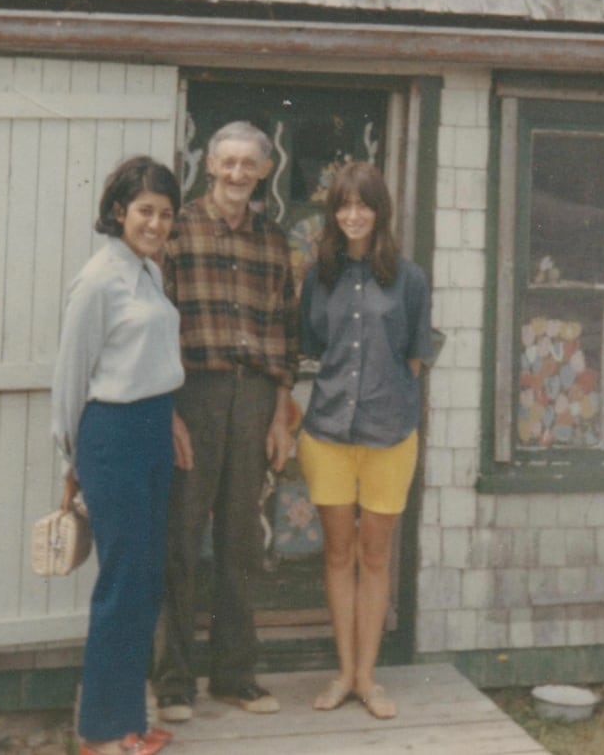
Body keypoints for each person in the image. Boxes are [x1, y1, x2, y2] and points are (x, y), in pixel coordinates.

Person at [152, 122, 298, 722]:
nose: (237, 174)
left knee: (241, 541)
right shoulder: (177, 230)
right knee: (181, 539)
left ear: (265, 171)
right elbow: (156, 326)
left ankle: (235, 675)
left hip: (256, 397)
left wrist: (282, 414)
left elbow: (287, 332)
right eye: (227, 163)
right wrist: (169, 411)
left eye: (249, 165)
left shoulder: (273, 240)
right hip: (193, 395)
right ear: (208, 165)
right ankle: (174, 683)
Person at [50, 156, 190, 755]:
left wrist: (172, 418)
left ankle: (129, 719)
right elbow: (70, 379)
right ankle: (102, 734)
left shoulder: (149, 273)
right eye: (144, 211)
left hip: (153, 430)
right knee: (122, 582)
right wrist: (70, 466)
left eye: (164, 213)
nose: (155, 223)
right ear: (118, 212)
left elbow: (148, 359)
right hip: (112, 438)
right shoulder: (100, 278)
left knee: (143, 581)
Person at [298, 161, 433, 722]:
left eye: (363, 204)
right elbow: (311, 346)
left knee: (374, 557)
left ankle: (367, 679)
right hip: (327, 433)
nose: (353, 215)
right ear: (333, 213)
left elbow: (416, 357)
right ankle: (343, 674)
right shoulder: (319, 275)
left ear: (380, 211)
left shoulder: (409, 279)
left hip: (388, 435)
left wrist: (384, 400)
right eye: (343, 206)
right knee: (337, 553)